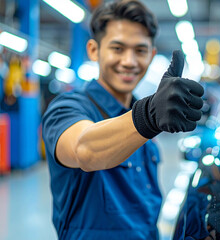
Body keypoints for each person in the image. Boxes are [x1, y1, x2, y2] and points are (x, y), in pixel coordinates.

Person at [42, 0, 204, 239]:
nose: (129, 61)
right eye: (117, 48)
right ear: (94, 50)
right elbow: (84, 149)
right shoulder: (68, 107)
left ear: (151, 55)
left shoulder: (143, 122)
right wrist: (147, 117)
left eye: (140, 50)